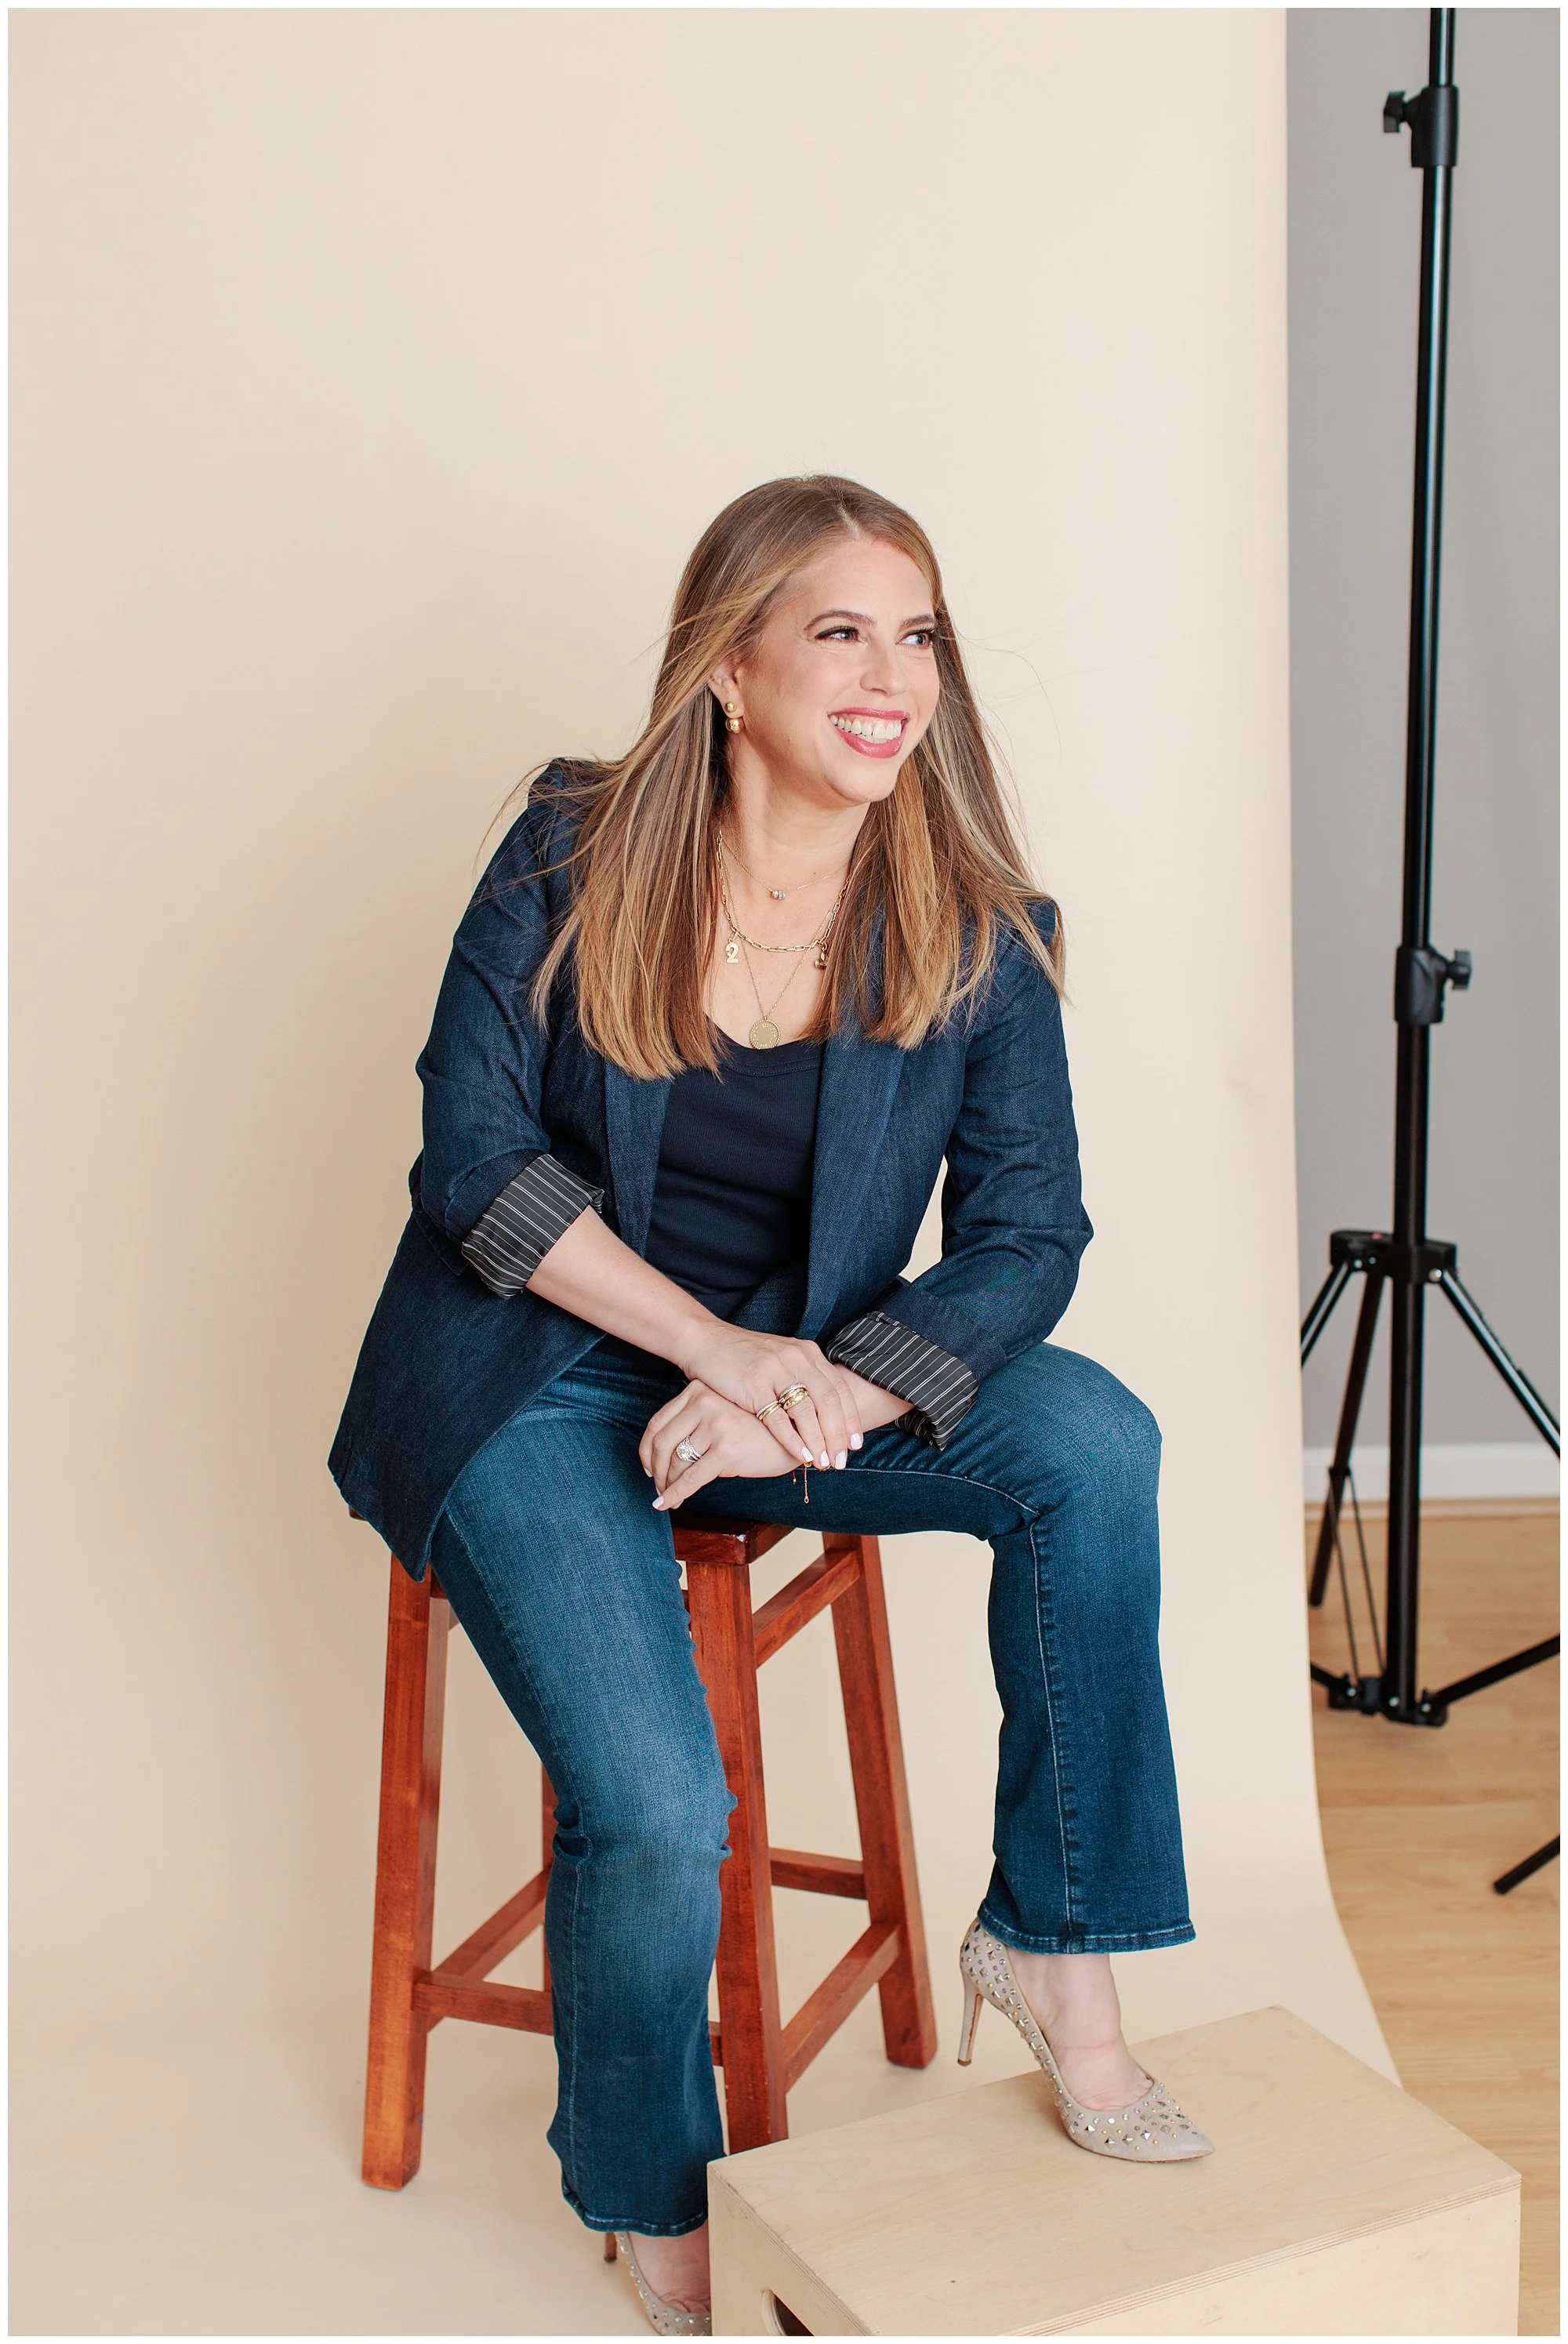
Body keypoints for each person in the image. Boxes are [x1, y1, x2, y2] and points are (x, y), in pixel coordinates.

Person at [332, 474, 1211, 2337]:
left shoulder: (978, 923)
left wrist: (823, 1393)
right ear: (732, 666)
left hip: (799, 1390)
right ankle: (650, 2187)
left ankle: (1054, 1949)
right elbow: (473, 1168)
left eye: (919, 635)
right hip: (539, 1375)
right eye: (840, 631)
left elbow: (1029, 1233)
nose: (892, 674)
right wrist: (710, 1352)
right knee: (661, 1802)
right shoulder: (572, 850)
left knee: (1092, 1443)